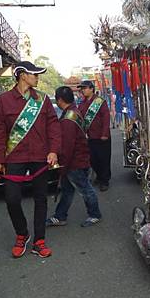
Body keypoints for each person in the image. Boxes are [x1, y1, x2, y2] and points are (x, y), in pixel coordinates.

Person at [0, 60, 61, 259]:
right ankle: (22, 234)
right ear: (22, 75)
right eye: (34, 74)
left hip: (40, 156)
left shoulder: (43, 100)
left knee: (40, 199)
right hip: (15, 157)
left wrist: (54, 150)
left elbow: (53, 127)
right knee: (11, 198)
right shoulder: (3, 101)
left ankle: (39, 240)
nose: (37, 78)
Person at [46, 86, 103, 228]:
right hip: (77, 158)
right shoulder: (73, 112)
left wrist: (62, 164)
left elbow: (68, 145)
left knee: (85, 189)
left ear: (59, 100)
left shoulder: (68, 118)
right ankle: (60, 216)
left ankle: (95, 214)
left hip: (74, 161)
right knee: (67, 190)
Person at [77, 80, 111, 192]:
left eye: (85, 88)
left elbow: (106, 118)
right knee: (92, 160)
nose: (83, 90)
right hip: (89, 136)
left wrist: (105, 133)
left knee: (103, 159)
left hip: (101, 136)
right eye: (82, 88)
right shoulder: (81, 103)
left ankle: (104, 181)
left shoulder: (100, 102)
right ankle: (100, 176)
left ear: (91, 88)